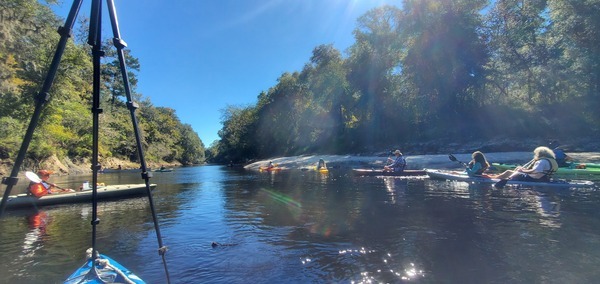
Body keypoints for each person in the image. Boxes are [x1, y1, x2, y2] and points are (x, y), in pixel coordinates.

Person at [493, 146, 559, 184]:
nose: (535, 155)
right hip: (545, 179)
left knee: (508, 172)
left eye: (536, 154)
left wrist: (523, 171)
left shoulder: (542, 161)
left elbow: (535, 171)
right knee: (515, 171)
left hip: (535, 179)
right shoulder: (552, 160)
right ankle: (496, 176)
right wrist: (524, 169)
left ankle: (493, 179)